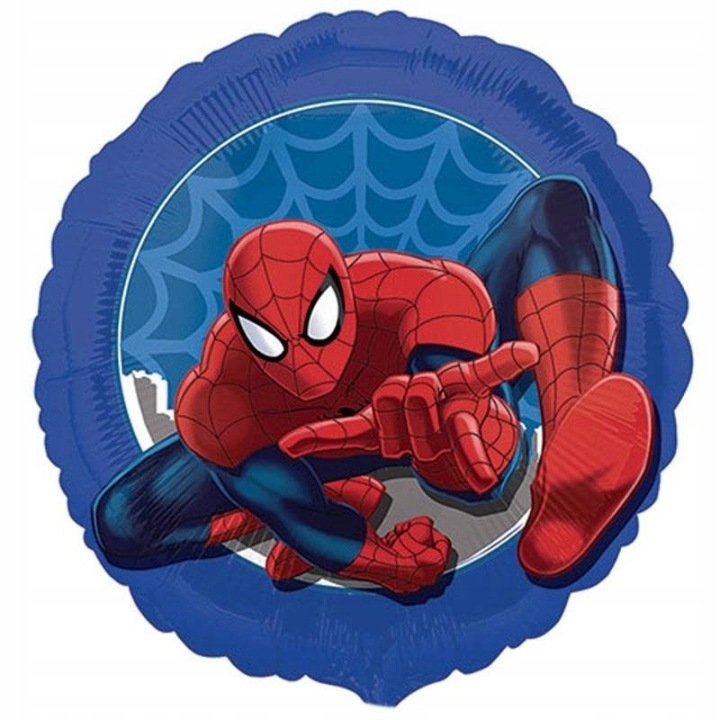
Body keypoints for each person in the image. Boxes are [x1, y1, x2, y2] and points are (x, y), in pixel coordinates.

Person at [93, 177, 654, 594]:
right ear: (242, 329)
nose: (307, 366)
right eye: (271, 341)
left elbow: (457, 393)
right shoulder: (222, 394)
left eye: (318, 322)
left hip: (414, 401)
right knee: (124, 520)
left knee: (552, 205)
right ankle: (338, 491)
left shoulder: (407, 291)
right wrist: (389, 564)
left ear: (344, 286)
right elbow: (293, 509)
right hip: (308, 448)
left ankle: (574, 444)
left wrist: (453, 416)